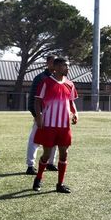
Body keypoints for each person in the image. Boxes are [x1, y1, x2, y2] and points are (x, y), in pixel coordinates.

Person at [32, 57, 78, 193]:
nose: (68, 68)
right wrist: (39, 116)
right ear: (56, 67)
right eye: (65, 66)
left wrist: (75, 114)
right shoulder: (46, 82)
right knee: (46, 154)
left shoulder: (70, 84)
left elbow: (71, 102)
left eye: (68, 66)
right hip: (49, 124)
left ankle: (60, 184)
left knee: (64, 154)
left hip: (64, 125)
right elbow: (37, 101)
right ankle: (38, 178)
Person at [25, 54, 58, 175]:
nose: (56, 65)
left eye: (57, 63)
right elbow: (33, 99)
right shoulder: (40, 78)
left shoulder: (59, 79)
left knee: (54, 140)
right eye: (53, 62)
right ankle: (30, 166)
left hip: (55, 116)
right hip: (41, 115)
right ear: (47, 63)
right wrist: (36, 115)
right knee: (34, 140)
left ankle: (50, 163)